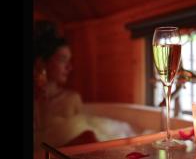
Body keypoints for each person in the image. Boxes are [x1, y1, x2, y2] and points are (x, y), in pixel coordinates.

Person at [33, 21, 136, 151]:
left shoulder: (72, 98)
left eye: (69, 60)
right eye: (63, 59)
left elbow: (86, 137)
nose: (70, 67)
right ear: (42, 62)